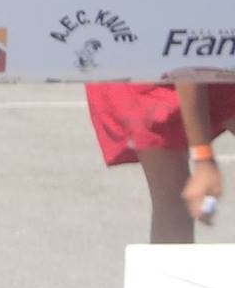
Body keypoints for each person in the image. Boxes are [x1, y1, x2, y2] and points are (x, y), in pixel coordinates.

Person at [85, 81, 234, 243]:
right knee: (172, 198)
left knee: (172, 201)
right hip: (147, 74)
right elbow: (187, 72)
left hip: (197, 71)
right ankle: (171, 259)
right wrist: (204, 159)